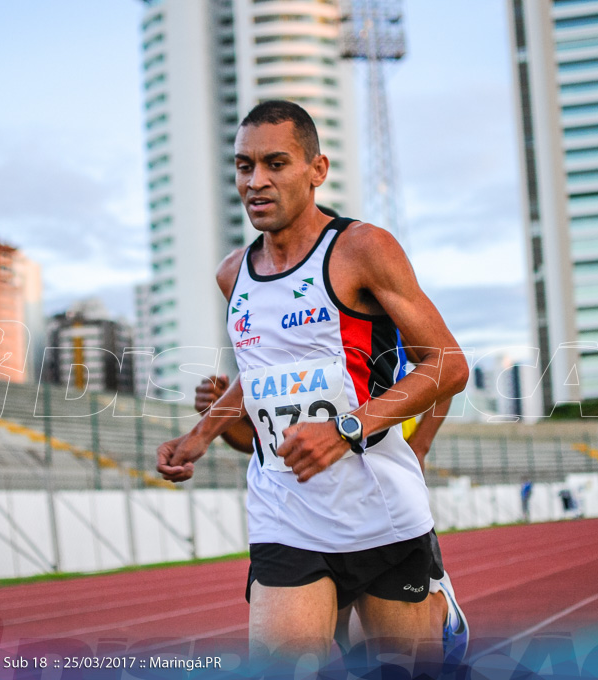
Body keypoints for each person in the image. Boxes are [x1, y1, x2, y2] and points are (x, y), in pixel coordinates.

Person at [156, 100, 469, 668]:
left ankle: (440, 611)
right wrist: (200, 436)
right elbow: (259, 377)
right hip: (286, 511)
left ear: (316, 169)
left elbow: (447, 365)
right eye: (244, 166)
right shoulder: (234, 273)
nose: (256, 181)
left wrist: (345, 430)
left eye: (276, 163)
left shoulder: (361, 249)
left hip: (379, 509)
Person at [194, 375, 468, 658]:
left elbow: (442, 367)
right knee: (327, 642)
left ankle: (439, 607)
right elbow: (261, 442)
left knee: (376, 649)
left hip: (382, 489)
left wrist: (420, 445)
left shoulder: (382, 331)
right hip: (298, 507)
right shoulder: (257, 344)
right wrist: (218, 417)